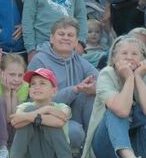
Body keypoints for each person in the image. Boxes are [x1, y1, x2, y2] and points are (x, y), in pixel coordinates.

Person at [26, 18, 97, 150]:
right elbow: (41, 101)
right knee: (74, 133)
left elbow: (100, 79)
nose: (66, 38)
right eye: (61, 34)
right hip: (45, 116)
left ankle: (89, 150)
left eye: (70, 35)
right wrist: (74, 89)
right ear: (52, 38)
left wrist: (93, 87)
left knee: (90, 94)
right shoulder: (40, 61)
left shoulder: (78, 60)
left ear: (76, 42)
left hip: (70, 116)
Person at [0, 67, 78, 158]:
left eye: (42, 83)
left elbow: (59, 121)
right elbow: (16, 123)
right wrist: (44, 110)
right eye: (33, 84)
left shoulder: (62, 107)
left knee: (50, 119)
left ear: (54, 91)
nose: (36, 86)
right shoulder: (24, 107)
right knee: (31, 109)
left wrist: (30, 116)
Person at [0, 53, 28, 154]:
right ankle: (2, 148)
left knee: (26, 109)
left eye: (20, 75)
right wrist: (7, 93)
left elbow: (14, 119)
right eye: (12, 74)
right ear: (0, 72)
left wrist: (13, 94)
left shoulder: (24, 86)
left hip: (13, 129)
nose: (16, 79)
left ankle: (16, 146)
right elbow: (6, 119)